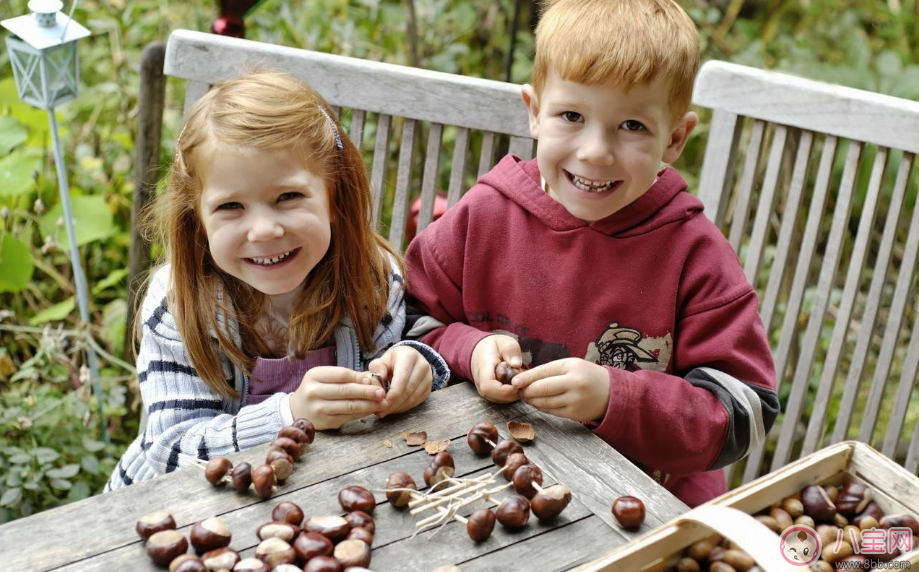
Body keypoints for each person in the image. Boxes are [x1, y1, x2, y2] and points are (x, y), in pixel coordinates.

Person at [404, 0, 778, 507]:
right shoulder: (485, 217)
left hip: (645, 507)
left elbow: (744, 412)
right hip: (492, 489)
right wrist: (469, 348)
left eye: (632, 127)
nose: (595, 151)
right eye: (572, 115)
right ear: (535, 112)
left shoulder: (694, 254)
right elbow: (410, 323)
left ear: (674, 138)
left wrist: (615, 395)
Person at [107, 71, 449, 491]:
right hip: (165, 511)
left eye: (288, 197)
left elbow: (401, 355)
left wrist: (416, 366)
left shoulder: (369, 278)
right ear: (198, 221)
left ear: (335, 199)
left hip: (312, 495)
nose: (264, 230)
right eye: (231, 206)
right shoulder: (178, 305)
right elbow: (169, 452)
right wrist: (288, 413)